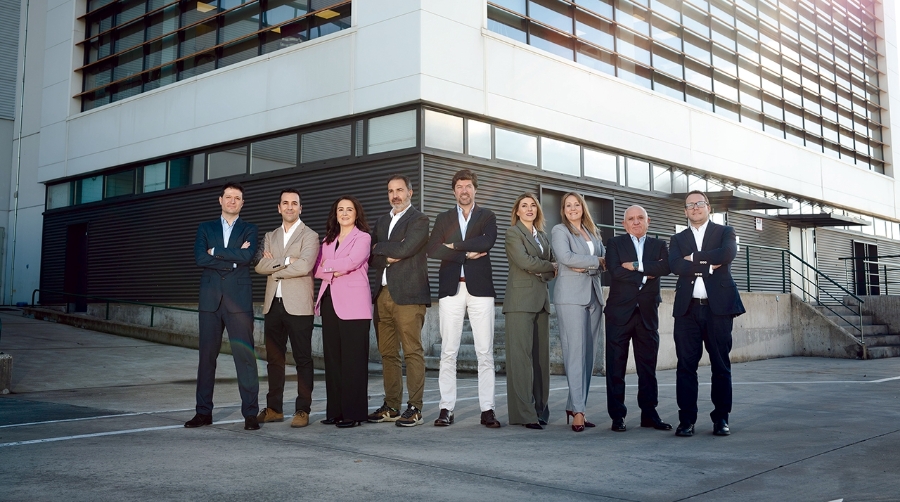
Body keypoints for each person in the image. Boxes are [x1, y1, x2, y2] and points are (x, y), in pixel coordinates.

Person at [426, 169, 501, 428]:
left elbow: (487, 241)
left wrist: (455, 247)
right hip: (451, 289)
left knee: (485, 353)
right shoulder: (443, 217)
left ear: (475, 189)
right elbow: (433, 248)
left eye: (468, 186)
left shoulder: (487, 215)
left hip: (480, 291)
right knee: (448, 352)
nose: (464, 190)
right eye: (459, 186)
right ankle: (446, 408)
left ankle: (487, 409)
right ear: (454, 191)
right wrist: (465, 254)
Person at [669, 190, 745, 437]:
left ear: (708, 207)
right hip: (687, 309)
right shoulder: (678, 239)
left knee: (720, 365)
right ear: (685, 211)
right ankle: (686, 420)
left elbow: (727, 254)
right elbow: (675, 265)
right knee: (685, 366)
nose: (695, 208)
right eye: (690, 205)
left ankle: (721, 418)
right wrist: (709, 265)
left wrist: (694, 258)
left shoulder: (725, 232)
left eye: (699, 203)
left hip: (719, 309)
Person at [186, 182, 260, 431]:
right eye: (228, 197)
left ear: (242, 203)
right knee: (206, 358)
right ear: (220, 200)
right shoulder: (204, 227)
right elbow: (199, 257)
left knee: (245, 358)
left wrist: (216, 252)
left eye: (237, 198)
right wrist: (233, 259)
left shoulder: (250, 228)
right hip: (210, 301)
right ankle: (203, 412)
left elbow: (248, 257)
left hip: (239, 302)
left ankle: (251, 414)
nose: (232, 201)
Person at [367, 174, 432, 427]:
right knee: (387, 354)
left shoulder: (420, 219)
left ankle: (415, 408)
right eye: (391, 190)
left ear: (410, 192)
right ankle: (391, 406)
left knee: (413, 352)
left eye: (400, 190)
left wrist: (383, 248)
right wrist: (386, 253)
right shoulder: (382, 221)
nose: (395, 195)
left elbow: (407, 250)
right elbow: (371, 256)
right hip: (382, 295)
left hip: (409, 294)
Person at [254, 189, 319, 428]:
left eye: (294, 203)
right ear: (278, 207)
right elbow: (259, 266)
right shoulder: (270, 236)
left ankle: (302, 410)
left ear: (300, 208)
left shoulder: (310, 235)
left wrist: (275, 266)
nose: (290, 207)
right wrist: (289, 261)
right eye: (285, 203)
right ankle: (274, 408)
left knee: (302, 359)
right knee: (274, 360)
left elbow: (305, 266)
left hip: (299, 305)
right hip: (273, 304)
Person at [604, 205, 671, 432]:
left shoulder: (659, 245)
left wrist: (635, 266)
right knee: (616, 368)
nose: (635, 222)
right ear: (624, 224)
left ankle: (649, 414)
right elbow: (614, 271)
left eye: (640, 218)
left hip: (647, 315)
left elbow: (666, 267)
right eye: (630, 219)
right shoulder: (614, 244)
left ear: (648, 221)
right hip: (618, 315)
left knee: (647, 369)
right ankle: (617, 416)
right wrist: (647, 272)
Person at [314, 196, 373, 428]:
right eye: (341, 209)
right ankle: (335, 411)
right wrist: (332, 270)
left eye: (349, 209)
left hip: (355, 305)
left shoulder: (364, 237)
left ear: (356, 214)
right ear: (335, 214)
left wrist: (329, 268)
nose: (345, 213)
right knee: (333, 360)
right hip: (329, 301)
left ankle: (354, 414)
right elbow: (317, 269)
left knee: (353, 361)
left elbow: (352, 262)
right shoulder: (328, 240)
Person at [550, 192, 605, 432]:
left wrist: (583, 264)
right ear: (563, 209)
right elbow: (565, 257)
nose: (573, 208)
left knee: (588, 356)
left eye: (577, 205)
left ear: (583, 207)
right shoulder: (560, 231)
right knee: (574, 353)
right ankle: (579, 412)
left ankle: (575, 405)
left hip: (594, 295)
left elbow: (598, 260)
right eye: (568, 205)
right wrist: (595, 262)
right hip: (570, 298)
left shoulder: (593, 232)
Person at [503, 193, 556, 430]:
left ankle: (540, 409)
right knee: (521, 360)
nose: (529, 209)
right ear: (517, 211)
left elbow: (553, 269)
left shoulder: (543, 236)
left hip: (541, 302)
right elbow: (524, 262)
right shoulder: (513, 233)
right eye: (524, 206)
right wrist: (546, 267)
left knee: (540, 360)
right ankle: (524, 414)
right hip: (519, 302)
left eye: (533, 205)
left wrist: (544, 269)